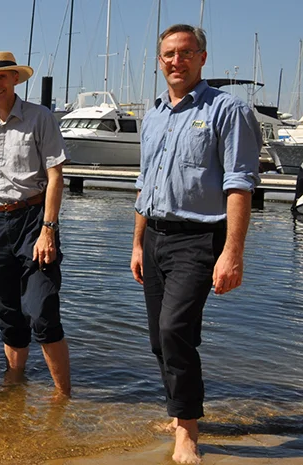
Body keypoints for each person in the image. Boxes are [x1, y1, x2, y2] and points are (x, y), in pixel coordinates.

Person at [130, 25, 260, 464]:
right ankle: (178, 411)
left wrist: (232, 252)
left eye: (186, 53)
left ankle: (187, 429)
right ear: (159, 60)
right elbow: (144, 185)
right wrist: (136, 244)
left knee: (175, 331)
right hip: (154, 238)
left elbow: (240, 185)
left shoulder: (227, 111)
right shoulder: (153, 116)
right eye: (168, 54)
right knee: (158, 340)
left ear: (203, 58)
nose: (176, 61)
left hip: (200, 239)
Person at [0, 51, 72, 398]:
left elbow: (56, 177)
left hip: (33, 220)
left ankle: (63, 395)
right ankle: (15, 383)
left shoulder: (40, 118)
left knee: (42, 310)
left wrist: (48, 229)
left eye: (2, 78)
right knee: (8, 312)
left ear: (15, 79)